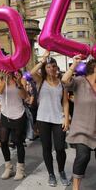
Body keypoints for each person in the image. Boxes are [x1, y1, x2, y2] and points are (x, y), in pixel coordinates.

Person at [30, 50, 71, 186]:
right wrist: (43, 59)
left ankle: (61, 171)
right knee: (46, 148)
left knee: (60, 148)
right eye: (48, 67)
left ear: (56, 68)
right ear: (45, 69)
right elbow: (31, 73)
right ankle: (51, 174)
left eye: (53, 66)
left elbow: (65, 102)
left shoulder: (62, 82)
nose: (51, 69)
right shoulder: (40, 80)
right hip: (43, 119)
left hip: (58, 118)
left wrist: (66, 119)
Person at [62, 57, 96, 190]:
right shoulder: (80, 82)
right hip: (82, 129)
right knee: (83, 156)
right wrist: (74, 63)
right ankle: (75, 187)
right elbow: (64, 80)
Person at [0, 72, 28, 181]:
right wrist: (5, 78)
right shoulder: (0, 79)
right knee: (3, 141)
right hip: (6, 115)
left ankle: (20, 169)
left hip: (19, 114)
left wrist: (19, 83)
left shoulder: (21, 78)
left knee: (19, 142)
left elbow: (24, 96)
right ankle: (8, 167)